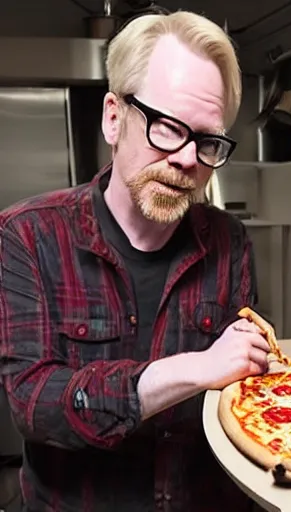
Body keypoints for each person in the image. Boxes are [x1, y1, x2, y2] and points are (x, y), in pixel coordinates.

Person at [0, 9, 271, 512]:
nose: (188, 159)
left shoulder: (232, 243)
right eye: (168, 127)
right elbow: (34, 404)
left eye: (207, 140)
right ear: (112, 117)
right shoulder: (27, 235)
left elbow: (248, 395)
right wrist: (193, 369)